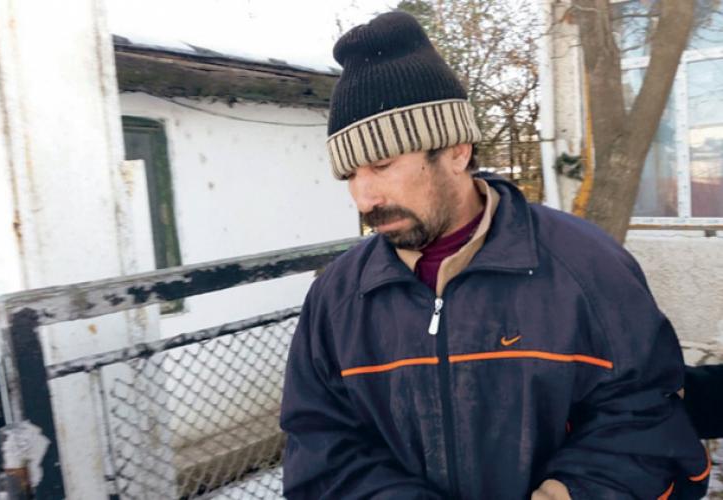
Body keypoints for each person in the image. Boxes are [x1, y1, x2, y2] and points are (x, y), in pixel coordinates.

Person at [280, 11, 711, 499]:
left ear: (457, 152)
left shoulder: (586, 267)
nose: (364, 199)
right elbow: (320, 446)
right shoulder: (337, 299)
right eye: (350, 175)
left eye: (381, 165)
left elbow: (646, 420)